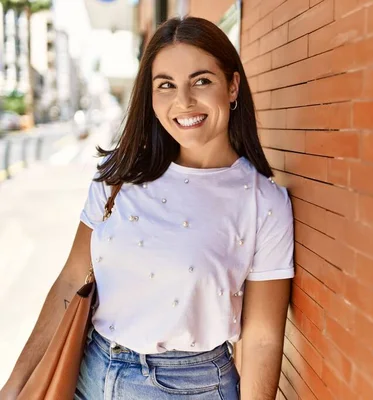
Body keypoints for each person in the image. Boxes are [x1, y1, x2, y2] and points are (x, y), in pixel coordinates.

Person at [0, 16, 294, 400]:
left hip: (189, 387)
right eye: (166, 85)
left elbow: (262, 339)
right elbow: (71, 281)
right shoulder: (119, 176)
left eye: (201, 81)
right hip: (87, 373)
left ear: (233, 85)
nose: (183, 101)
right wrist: (15, 385)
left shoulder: (262, 202)